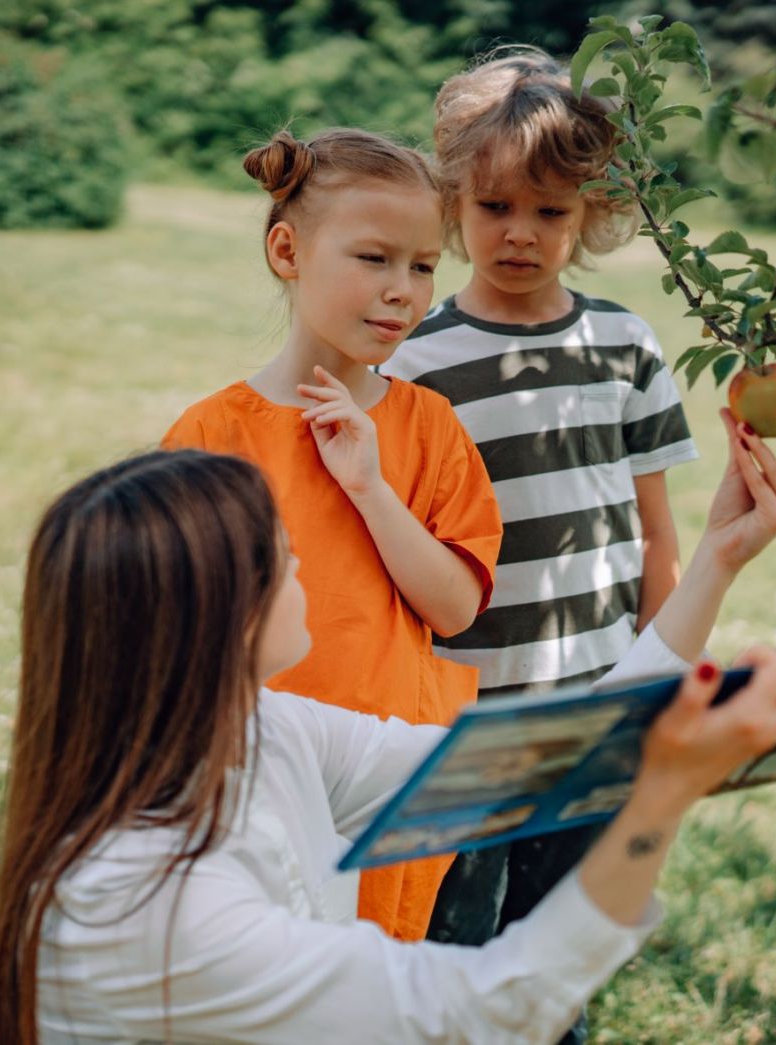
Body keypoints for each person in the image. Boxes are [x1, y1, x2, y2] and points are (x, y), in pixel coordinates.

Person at [0, 442, 776, 1044]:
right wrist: (661, 798)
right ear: (219, 616)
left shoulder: (259, 727)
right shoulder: (142, 904)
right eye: (282, 556)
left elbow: (539, 758)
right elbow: (488, 1016)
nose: (301, 568)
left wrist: (718, 563)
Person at [378, 46, 776, 979]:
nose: (521, 234)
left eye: (552, 211)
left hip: (595, 707)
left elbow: (656, 535)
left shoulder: (624, 343)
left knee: (558, 961)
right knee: (452, 961)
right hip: (464, 723)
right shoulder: (415, 358)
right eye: (496, 206)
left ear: (592, 214)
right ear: (455, 200)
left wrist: (658, 691)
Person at [161, 128, 504, 940]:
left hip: (388, 783)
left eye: (423, 266)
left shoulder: (430, 426)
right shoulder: (212, 432)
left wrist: (369, 487)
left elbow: (455, 608)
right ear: (288, 250)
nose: (403, 291)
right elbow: (173, 637)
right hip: (251, 784)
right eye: (374, 258)